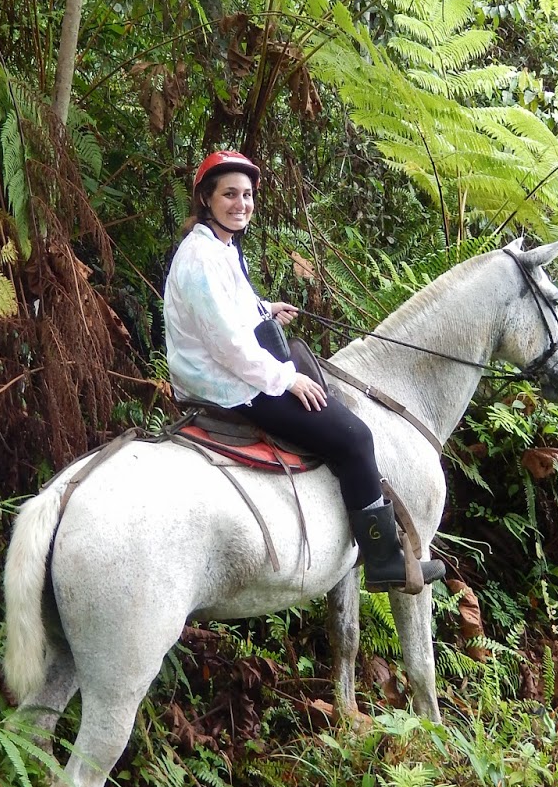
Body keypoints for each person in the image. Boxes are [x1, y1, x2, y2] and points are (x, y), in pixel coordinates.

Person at [163, 149, 406, 590]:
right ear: (205, 198)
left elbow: (230, 308)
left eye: (247, 195)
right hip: (225, 384)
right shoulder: (200, 259)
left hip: (231, 369)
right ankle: (384, 561)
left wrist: (265, 308)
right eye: (229, 194)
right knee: (355, 438)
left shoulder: (219, 246)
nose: (241, 204)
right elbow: (229, 345)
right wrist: (287, 379)